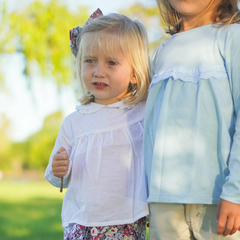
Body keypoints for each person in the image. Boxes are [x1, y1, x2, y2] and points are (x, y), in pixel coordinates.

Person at [45, 9, 151, 240]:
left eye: (111, 62)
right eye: (90, 61)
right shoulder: (75, 121)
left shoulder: (142, 113)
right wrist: (58, 168)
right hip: (80, 224)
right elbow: (56, 176)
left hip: (126, 223)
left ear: (134, 73)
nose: (98, 71)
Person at [144, 0, 240, 239]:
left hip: (219, 200)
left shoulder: (232, 37)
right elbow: (147, 130)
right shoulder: (160, 53)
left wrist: (235, 192)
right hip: (163, 202)